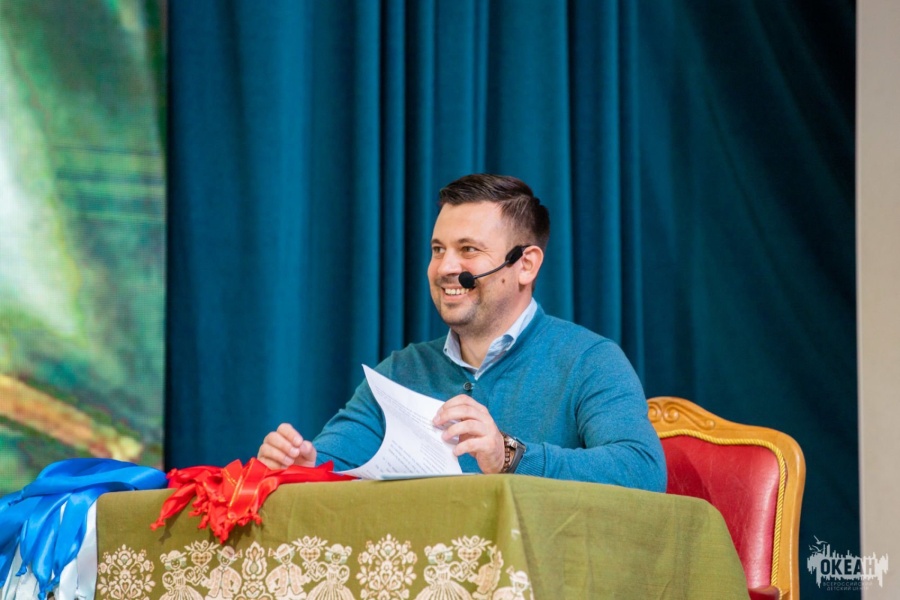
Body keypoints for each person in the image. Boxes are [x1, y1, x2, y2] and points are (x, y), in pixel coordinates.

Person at [257, 173, 666, 492]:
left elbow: (643, 471)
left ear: (525, 265)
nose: (446, 268)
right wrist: (303, 464)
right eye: (438, 250)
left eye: (468, 250)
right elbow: (334, 458)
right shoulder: (401, 370)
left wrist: (510, 456)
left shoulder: (590, 360)